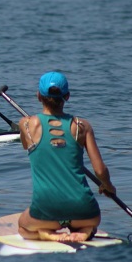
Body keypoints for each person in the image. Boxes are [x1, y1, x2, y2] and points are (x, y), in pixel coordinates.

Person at [17, 71, 116, 242]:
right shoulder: (82, 126)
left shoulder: (26, 124)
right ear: (67, 96)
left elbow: (27, 146)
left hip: (46, 211)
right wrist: (108, 186)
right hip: (86, 211)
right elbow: (100, 170)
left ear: (38, 96)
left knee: (22, 226)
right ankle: (86, 230)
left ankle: (45, 233)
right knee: (91, 222)